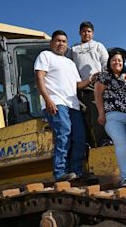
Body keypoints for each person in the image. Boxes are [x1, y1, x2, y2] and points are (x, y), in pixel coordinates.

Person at [35, 30, 96, 181]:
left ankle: (76, 171)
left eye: (64, 41)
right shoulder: (45, 56)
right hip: (56, 102)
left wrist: (90, 79)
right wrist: (48, 100)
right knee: (64, 134)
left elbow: (78, 85)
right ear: (51, 43)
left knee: (80, 137)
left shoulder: (70, 63)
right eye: (58, 40)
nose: (61, 43)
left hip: (73, 105)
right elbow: (39, 77)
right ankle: (60, 172)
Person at [94, 49, 126, 188]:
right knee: (123, 144)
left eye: (120, 60)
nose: (117, 62)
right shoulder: (104, 76)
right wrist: (101, 113)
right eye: (114, 60)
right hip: (113, 117)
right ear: (109, 62)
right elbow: (97, 93)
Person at [67, 21, 111, 147]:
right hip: (79, 87)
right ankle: (89, 143)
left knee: (97, 114)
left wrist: (103, 80)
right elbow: (69, 65)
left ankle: (103, 140)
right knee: (84, 118)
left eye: (89, 31)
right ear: (80, 33)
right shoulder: (73, 49)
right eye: (84, 31)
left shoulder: (98, 46)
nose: (86, 33)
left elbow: (105, 63)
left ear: (93, 33)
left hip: (96, 85)